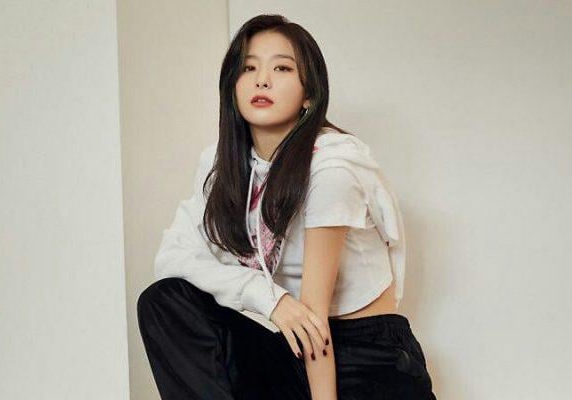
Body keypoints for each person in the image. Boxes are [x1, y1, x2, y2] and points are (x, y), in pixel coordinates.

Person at [137, 13, 437, 400]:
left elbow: (315, 319)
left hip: (370, 357)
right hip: (295, 348)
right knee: (163, 303)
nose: (262, 80)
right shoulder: (222, 166)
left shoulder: (332, 166)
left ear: (309, 94)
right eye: (248, 68)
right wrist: (269, 298)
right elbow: (172, 259)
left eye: (281, 68)